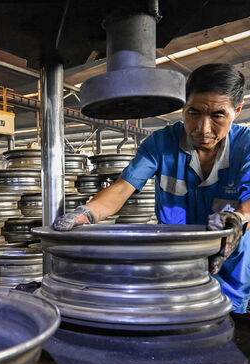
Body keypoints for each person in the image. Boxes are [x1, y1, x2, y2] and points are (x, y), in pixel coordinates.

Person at [53, 63, 250, 314]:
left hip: (227, 272)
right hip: (174, 270)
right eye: (193, 112)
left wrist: (237, 218)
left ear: (238, 110)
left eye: (217, 115)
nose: (203, 128)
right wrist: (86, 212)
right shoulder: (160, 144)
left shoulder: (246, 147)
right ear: (183, 106)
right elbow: (122, 188)